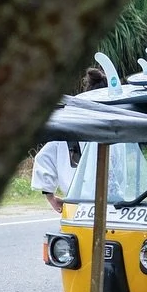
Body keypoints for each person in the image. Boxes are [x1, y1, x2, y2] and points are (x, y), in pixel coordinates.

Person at [32, 67, 108, 211]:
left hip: (76, 204)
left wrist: (50, 197)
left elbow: (43, 158)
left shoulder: (71, 122)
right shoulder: (114, 122)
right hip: (110, 203)